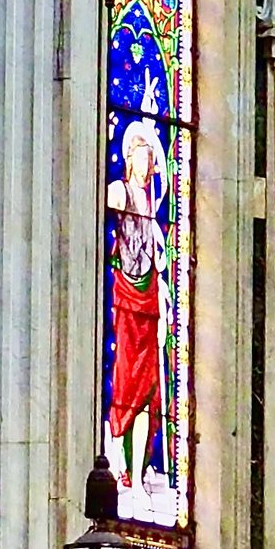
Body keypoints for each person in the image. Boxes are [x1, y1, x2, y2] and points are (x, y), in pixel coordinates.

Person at [106, 118, 171, 510]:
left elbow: (158, 255)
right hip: (125, 297)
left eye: (150, 157)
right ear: (129, 160)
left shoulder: (153, 204)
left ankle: (139, 471)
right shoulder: (120, 192)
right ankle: (118, 467)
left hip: (149, 298)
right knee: (126, 385)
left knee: (149, 391)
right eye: (140, 156)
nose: (146, 164)